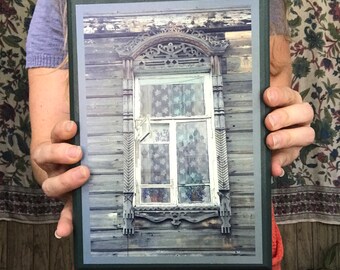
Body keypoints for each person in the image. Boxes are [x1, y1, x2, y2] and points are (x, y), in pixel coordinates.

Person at [26, 0, 315, 269]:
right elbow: (46, 150)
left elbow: (266, 114)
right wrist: (60, 170)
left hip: (242, 248)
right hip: (119, 253)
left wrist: (282, 133)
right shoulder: (60, 4)